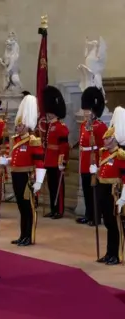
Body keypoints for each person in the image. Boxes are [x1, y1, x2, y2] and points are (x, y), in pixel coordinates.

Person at [0, 95, 45, 246]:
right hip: (16, 175)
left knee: (28, 207)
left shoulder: (33, 141)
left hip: (27, 177)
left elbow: (39, 163)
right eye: (17, 126)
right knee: (20, 206)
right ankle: (22, 234)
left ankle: (29, 236)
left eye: (19, 126)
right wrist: (6, 161)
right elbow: (16, 158)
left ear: (26, 126)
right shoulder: (17, 140)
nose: (17, 128)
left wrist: (38, 181)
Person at [92, 106, 125, 265]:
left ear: (114, 139)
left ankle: (115, 255)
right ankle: (108, 253)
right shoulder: (103, 152)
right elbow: (102, 173)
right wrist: (95, 171)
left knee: (113, 224)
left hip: (114, 192)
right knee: (106, 222)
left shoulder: (120, 155)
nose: (104, 140)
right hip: (102, 190)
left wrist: (123, 198)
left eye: (107, 138)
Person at [76, 86, 107, 226]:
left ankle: (96, 216)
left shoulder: (100, 127)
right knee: (87, 191)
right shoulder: (83, 126)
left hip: (94, 162)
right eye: (85, 111)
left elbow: (103, 147)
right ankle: (88, 214)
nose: (86, 113)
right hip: (84, 162)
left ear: (94, 112)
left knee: (95, 191)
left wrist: (99, 164)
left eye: (88, 111)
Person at [43, 86, 70, 219]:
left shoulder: (61, 127)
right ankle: (53, 209)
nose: (48, 114)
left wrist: (62, 161)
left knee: (58, 188)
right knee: (52, 187)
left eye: (50, 112)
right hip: (49, 160)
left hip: (56, 161)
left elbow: (64, 146)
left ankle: (59, 210)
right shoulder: (51, 126)